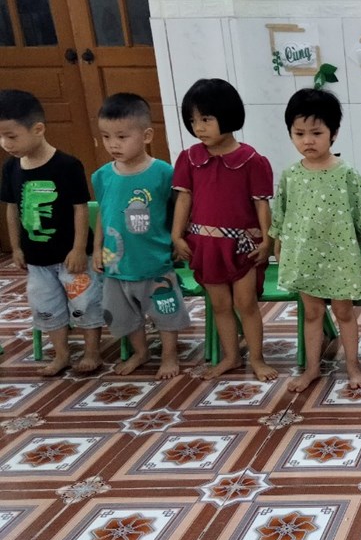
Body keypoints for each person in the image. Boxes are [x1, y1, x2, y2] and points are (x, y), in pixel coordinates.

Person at [270, 88, 361, 393]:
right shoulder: (290, 175)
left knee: (344, 313)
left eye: (316, 133)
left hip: (340, 258)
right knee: (312, 313)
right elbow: (281, 213)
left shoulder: (346, 173)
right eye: (299, 133)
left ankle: (353, 366)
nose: (307, 140)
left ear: (334, 133)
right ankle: (311, 369)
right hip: (304, 257)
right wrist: (278, 242)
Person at [171, 78, 277, 381]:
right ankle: (231, 356)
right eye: (193, 120)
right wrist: (176, 234)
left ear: (228, 116)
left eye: (206, 119)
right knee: (219, 304)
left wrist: (267, 241)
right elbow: (184, 199)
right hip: (205, 245)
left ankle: (257, 359)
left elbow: (262, 205)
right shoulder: (189, 159)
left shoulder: (252, 160)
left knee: (246, 304)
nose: (199, 127)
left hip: (243, 245)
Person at [0, 89, 103, 376]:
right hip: (36, 259)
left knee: (85, 302)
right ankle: (61, 354)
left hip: (72, 257)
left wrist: (79, 248)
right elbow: (12, 209)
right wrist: (16, 247)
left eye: (11, 136)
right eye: (1, 137)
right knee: (46, 305)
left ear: (38, 129)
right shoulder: (10, 169)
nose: (5, 144)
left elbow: (80, 208)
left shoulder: (67, 165)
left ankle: (92, 352)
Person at [92, 93, 190, 379]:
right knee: (123, 315)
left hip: (154, 261)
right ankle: (141, 351)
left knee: (165, 310)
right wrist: (97, 249)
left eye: (122, 137)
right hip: (116, 264)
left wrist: (178, 238)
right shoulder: (102, 176)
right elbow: (104, 215)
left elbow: (180, 209)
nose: (113, 144)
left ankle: (169, 355)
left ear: (146, 135)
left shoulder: (164, 173)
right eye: (106, 137)